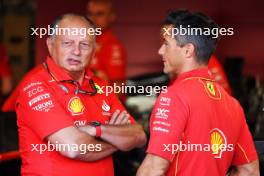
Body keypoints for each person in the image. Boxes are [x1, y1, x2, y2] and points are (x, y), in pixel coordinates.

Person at [16, 14, 146, 176]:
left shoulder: (101, 86)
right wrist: (116, 141)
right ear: (50, 45)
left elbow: (138, 136)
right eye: (67, 43)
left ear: (93, 50)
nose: (76, 51)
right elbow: (73, 147)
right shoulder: (35, 85)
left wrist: (96, 130)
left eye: (84, 44)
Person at [137, 10, 259, 176]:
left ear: (188, 50)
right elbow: (250, 171)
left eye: (166, 44)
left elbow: (154, 168)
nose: (160, 51)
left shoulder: (174, 96)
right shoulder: (232, 104)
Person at [86, 0, 126, 85]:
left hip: (103, 97)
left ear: (112, 17)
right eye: (90, 14)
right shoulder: (81, 43)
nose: (93, 18)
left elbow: (118, 88)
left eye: (99, 14)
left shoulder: (113, 46)